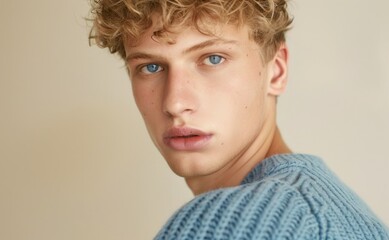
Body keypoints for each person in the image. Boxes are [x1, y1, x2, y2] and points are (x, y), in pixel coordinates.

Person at [88, 0, 389, 239]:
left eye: (213, 59)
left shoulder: (239, 222)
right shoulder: (334, 210)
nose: (175, 103)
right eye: (151, 67)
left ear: (277, 70)